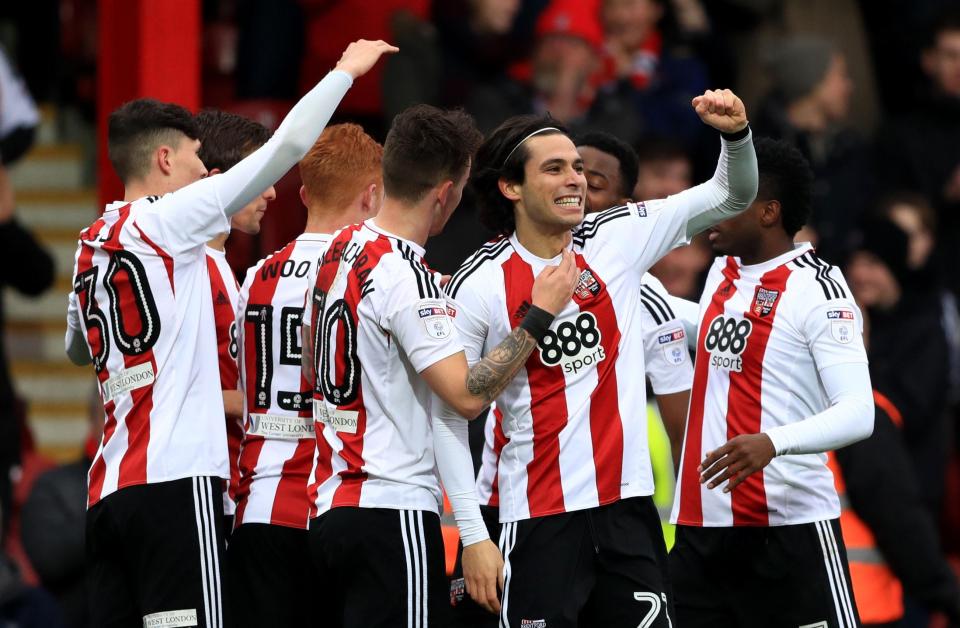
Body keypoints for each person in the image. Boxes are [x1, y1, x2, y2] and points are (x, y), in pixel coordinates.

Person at [64, 39, 397, 628]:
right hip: (176, 483)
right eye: (197, 158)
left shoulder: (91, 244)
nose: (205, 172)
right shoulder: (168, 222)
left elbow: (75, 347)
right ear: (166, 160)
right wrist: (345, 72)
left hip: (108, 487)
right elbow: (289, 146)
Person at [441, 87, 756, 627]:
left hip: (628, 514)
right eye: (555, 169)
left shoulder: (617, 238)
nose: (575, 180)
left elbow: (731, 195)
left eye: (579, 168)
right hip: (537, 516)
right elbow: (453, 412)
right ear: (511, 186)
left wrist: (735, 135)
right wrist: (473, 536)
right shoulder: (478, 283)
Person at [301, 104, 578, 627]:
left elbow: (312, 352)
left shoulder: (339, 251)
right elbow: (467, 396)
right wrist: (538, 316)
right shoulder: (407, 275)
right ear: (446, 193)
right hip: (391, 509)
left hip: (328, 508)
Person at [669, 137, 874, 628]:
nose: (714, 209)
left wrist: (772, 443)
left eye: (730, 200)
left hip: (787, 530)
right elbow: (718, 332)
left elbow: (858, 412)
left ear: (768, 212)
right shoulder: (724, 269)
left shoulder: (819, 290)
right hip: (702, 529)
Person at [227, 123, 383, 628]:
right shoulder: (373, 272)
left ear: (303, 193)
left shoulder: (256, 275)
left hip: (260, 506)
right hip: (336, 502)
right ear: (373, 195)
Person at [194, 108, 276, 537]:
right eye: (261, 177)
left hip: (229, 481)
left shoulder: (223, 265)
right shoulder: (190, 271)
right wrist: (267, 404)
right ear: (217, 180)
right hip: (203, 484)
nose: (273, 192)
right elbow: (174, 390)